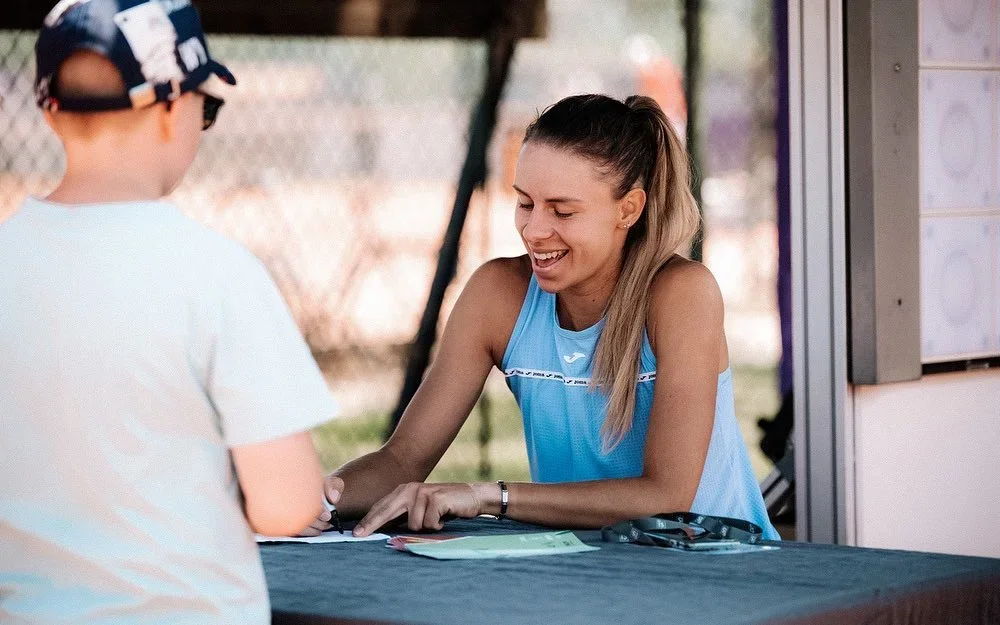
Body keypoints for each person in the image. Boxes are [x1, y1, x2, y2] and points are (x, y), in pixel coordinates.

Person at [308, 94, 779, 541]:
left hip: (721, 570)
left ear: (628, 209)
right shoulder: (497, 295)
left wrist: (490, 496)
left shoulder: (682, 293)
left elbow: (667, 494)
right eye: (526, 203)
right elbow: (402, 458)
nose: (534, 231)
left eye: (563, 211)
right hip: (589, 569)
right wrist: (320, 500)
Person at [0, 1, 335, 622]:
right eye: (206, 109)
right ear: (172, 108)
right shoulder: (218, 273)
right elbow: (287, 505)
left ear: (50, 114)